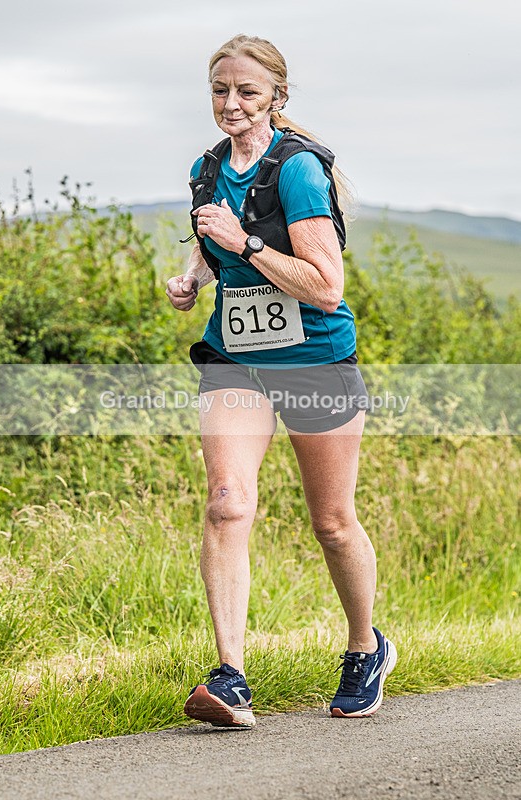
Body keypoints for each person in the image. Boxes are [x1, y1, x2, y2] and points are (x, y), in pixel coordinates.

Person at [166, 34, 397, 728]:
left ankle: (365, 647)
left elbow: (325, 287)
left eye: (245, 92)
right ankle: (230, 676)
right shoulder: (205, 169)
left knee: (330, 522)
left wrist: (246, 245)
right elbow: (219, 248)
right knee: (227, 502)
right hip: (235, 355)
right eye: (219, 90)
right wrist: (195, 275)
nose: (230, 103)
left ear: (275, 98)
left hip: (314, 357)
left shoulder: (296, 170)